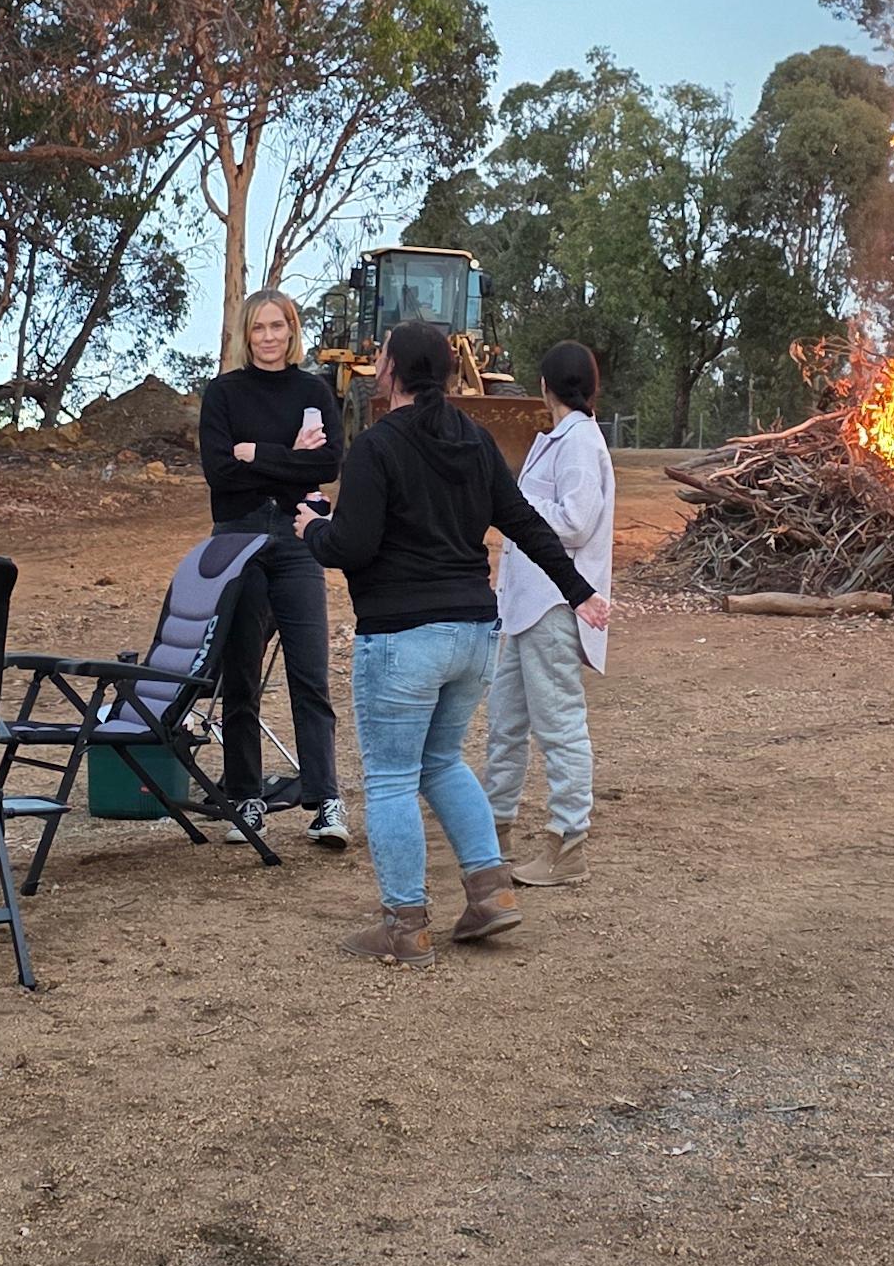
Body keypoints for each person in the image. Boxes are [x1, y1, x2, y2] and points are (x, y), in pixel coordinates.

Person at [297, 320, 607, 964]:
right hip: (474, 633)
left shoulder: (377, 447)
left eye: (381, 356)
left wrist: (312, 529)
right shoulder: (474, 438)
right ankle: (490, 893)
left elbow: (351, 546)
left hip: (404, 638)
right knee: (440, 762)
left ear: (390, 371)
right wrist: (579, 592)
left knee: (388, 779)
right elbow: (522, 521)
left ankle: (405, 925)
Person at [195, 288, 349, 848]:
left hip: (297, 541)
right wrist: (290, 459)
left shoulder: (313, 390)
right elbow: (219, 474)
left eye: (277, 326)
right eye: (258, 328)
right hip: (236, 540)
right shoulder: (223, 394)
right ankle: (246, 796)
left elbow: (329, 464)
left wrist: (255, 453)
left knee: (309, 673)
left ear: (292, 330)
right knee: (241, 674)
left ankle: (325, 801)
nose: (268, 337)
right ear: (245, 334)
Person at [488, 342, 615, 887]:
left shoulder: (581, 443)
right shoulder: (562, 440)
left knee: (560, 725)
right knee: (505, 725)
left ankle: (569, 843)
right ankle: (491, 835)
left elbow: (578, 523)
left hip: (553, 605)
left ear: (544, 387)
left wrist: (515, 509)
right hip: (524, 605)